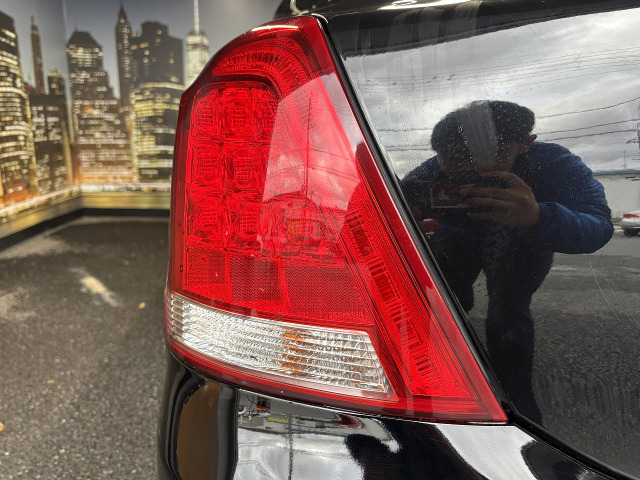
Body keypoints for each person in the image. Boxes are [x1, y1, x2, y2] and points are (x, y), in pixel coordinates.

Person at [401, 101, 613, 423]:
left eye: (486, 154)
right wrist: (402, 215)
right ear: (438, 152)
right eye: (453, 156)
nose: (468, 166)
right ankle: (433, 378)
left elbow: (599, 225)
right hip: (457, 236)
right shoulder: (428, 172)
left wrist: (537, 216)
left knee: (507, 312)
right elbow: (368, 219)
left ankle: (518, 408)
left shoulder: (553, 162)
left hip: (523, 239)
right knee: (438, 302)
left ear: (527, 144)